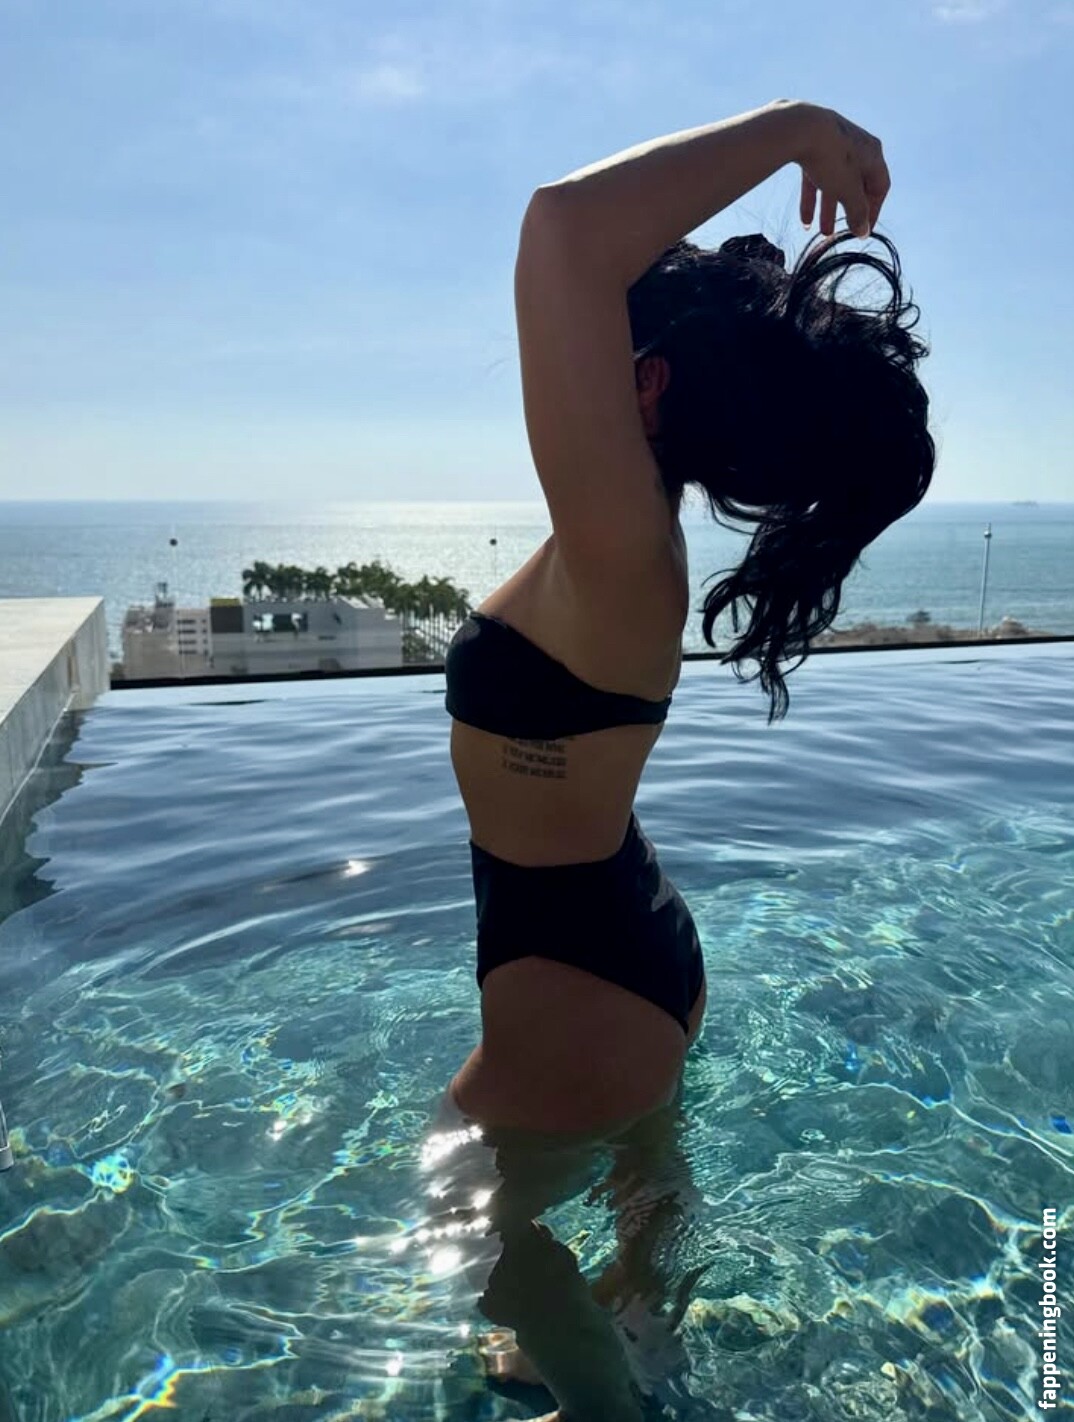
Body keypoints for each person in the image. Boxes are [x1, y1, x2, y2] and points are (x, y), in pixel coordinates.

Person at [424, 98, 934, 1421]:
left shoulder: (615, 547)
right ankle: (643, 1338)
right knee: (636, 1215)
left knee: (464, 1232)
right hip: (621, 950)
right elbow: (583, 259)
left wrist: (794, 126)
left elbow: (561, 231)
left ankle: (616, 1399)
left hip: (578, 987)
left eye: (612, 346)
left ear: (644, 384)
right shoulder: (631, 546)